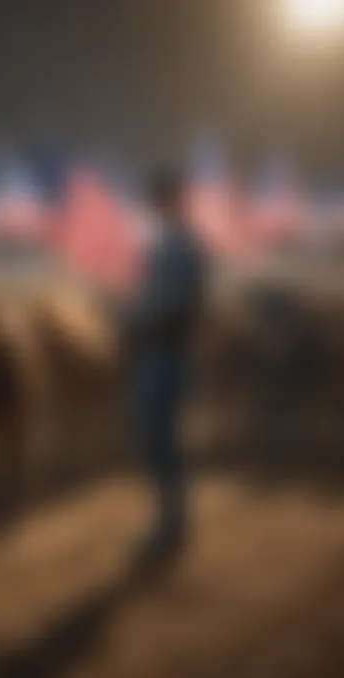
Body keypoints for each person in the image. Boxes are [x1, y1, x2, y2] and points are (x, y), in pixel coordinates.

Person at [127, 168, 209, 566]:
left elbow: (180, 308)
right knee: (156, 440)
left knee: (162, 440)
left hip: (167, 352)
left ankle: (172, 523)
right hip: (156, 352)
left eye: (161, 198)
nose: (156, 206)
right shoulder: (166, 245)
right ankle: (169, 519)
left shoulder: (181, 247)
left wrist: (141, 328)